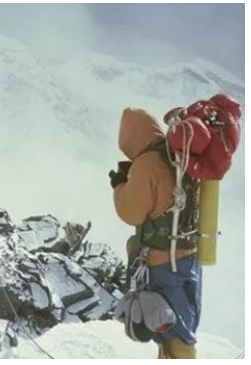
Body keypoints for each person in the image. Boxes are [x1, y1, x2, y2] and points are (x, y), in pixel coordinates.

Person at [110, 107, 202, 359]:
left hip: (161, 262)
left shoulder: (146, 163)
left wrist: (119, 185)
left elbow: (131, 213)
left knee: (169, 329)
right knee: (185, 325)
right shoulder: (179, 156)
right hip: (189, 257)